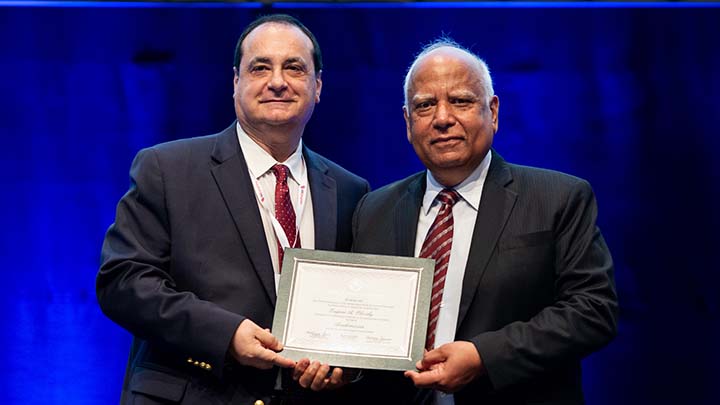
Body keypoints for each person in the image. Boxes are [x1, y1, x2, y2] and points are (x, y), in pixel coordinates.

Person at [97, 14, 369, 405]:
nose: (278, 81)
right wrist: (225, 335)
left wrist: (341, 366)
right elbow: (122, 282)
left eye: (294, 67)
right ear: (236, 83)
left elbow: (353, 304)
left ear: (318, 86)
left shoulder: (350, 190)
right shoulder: (168, 168)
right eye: (260, 68)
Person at [350, 39, 618, 404]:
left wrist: (483, 357)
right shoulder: (373, 209)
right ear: (408, 122)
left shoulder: (558, 197)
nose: (443, 118)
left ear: (492, 111)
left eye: (460, 101)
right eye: (425, 105)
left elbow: (593, 311)